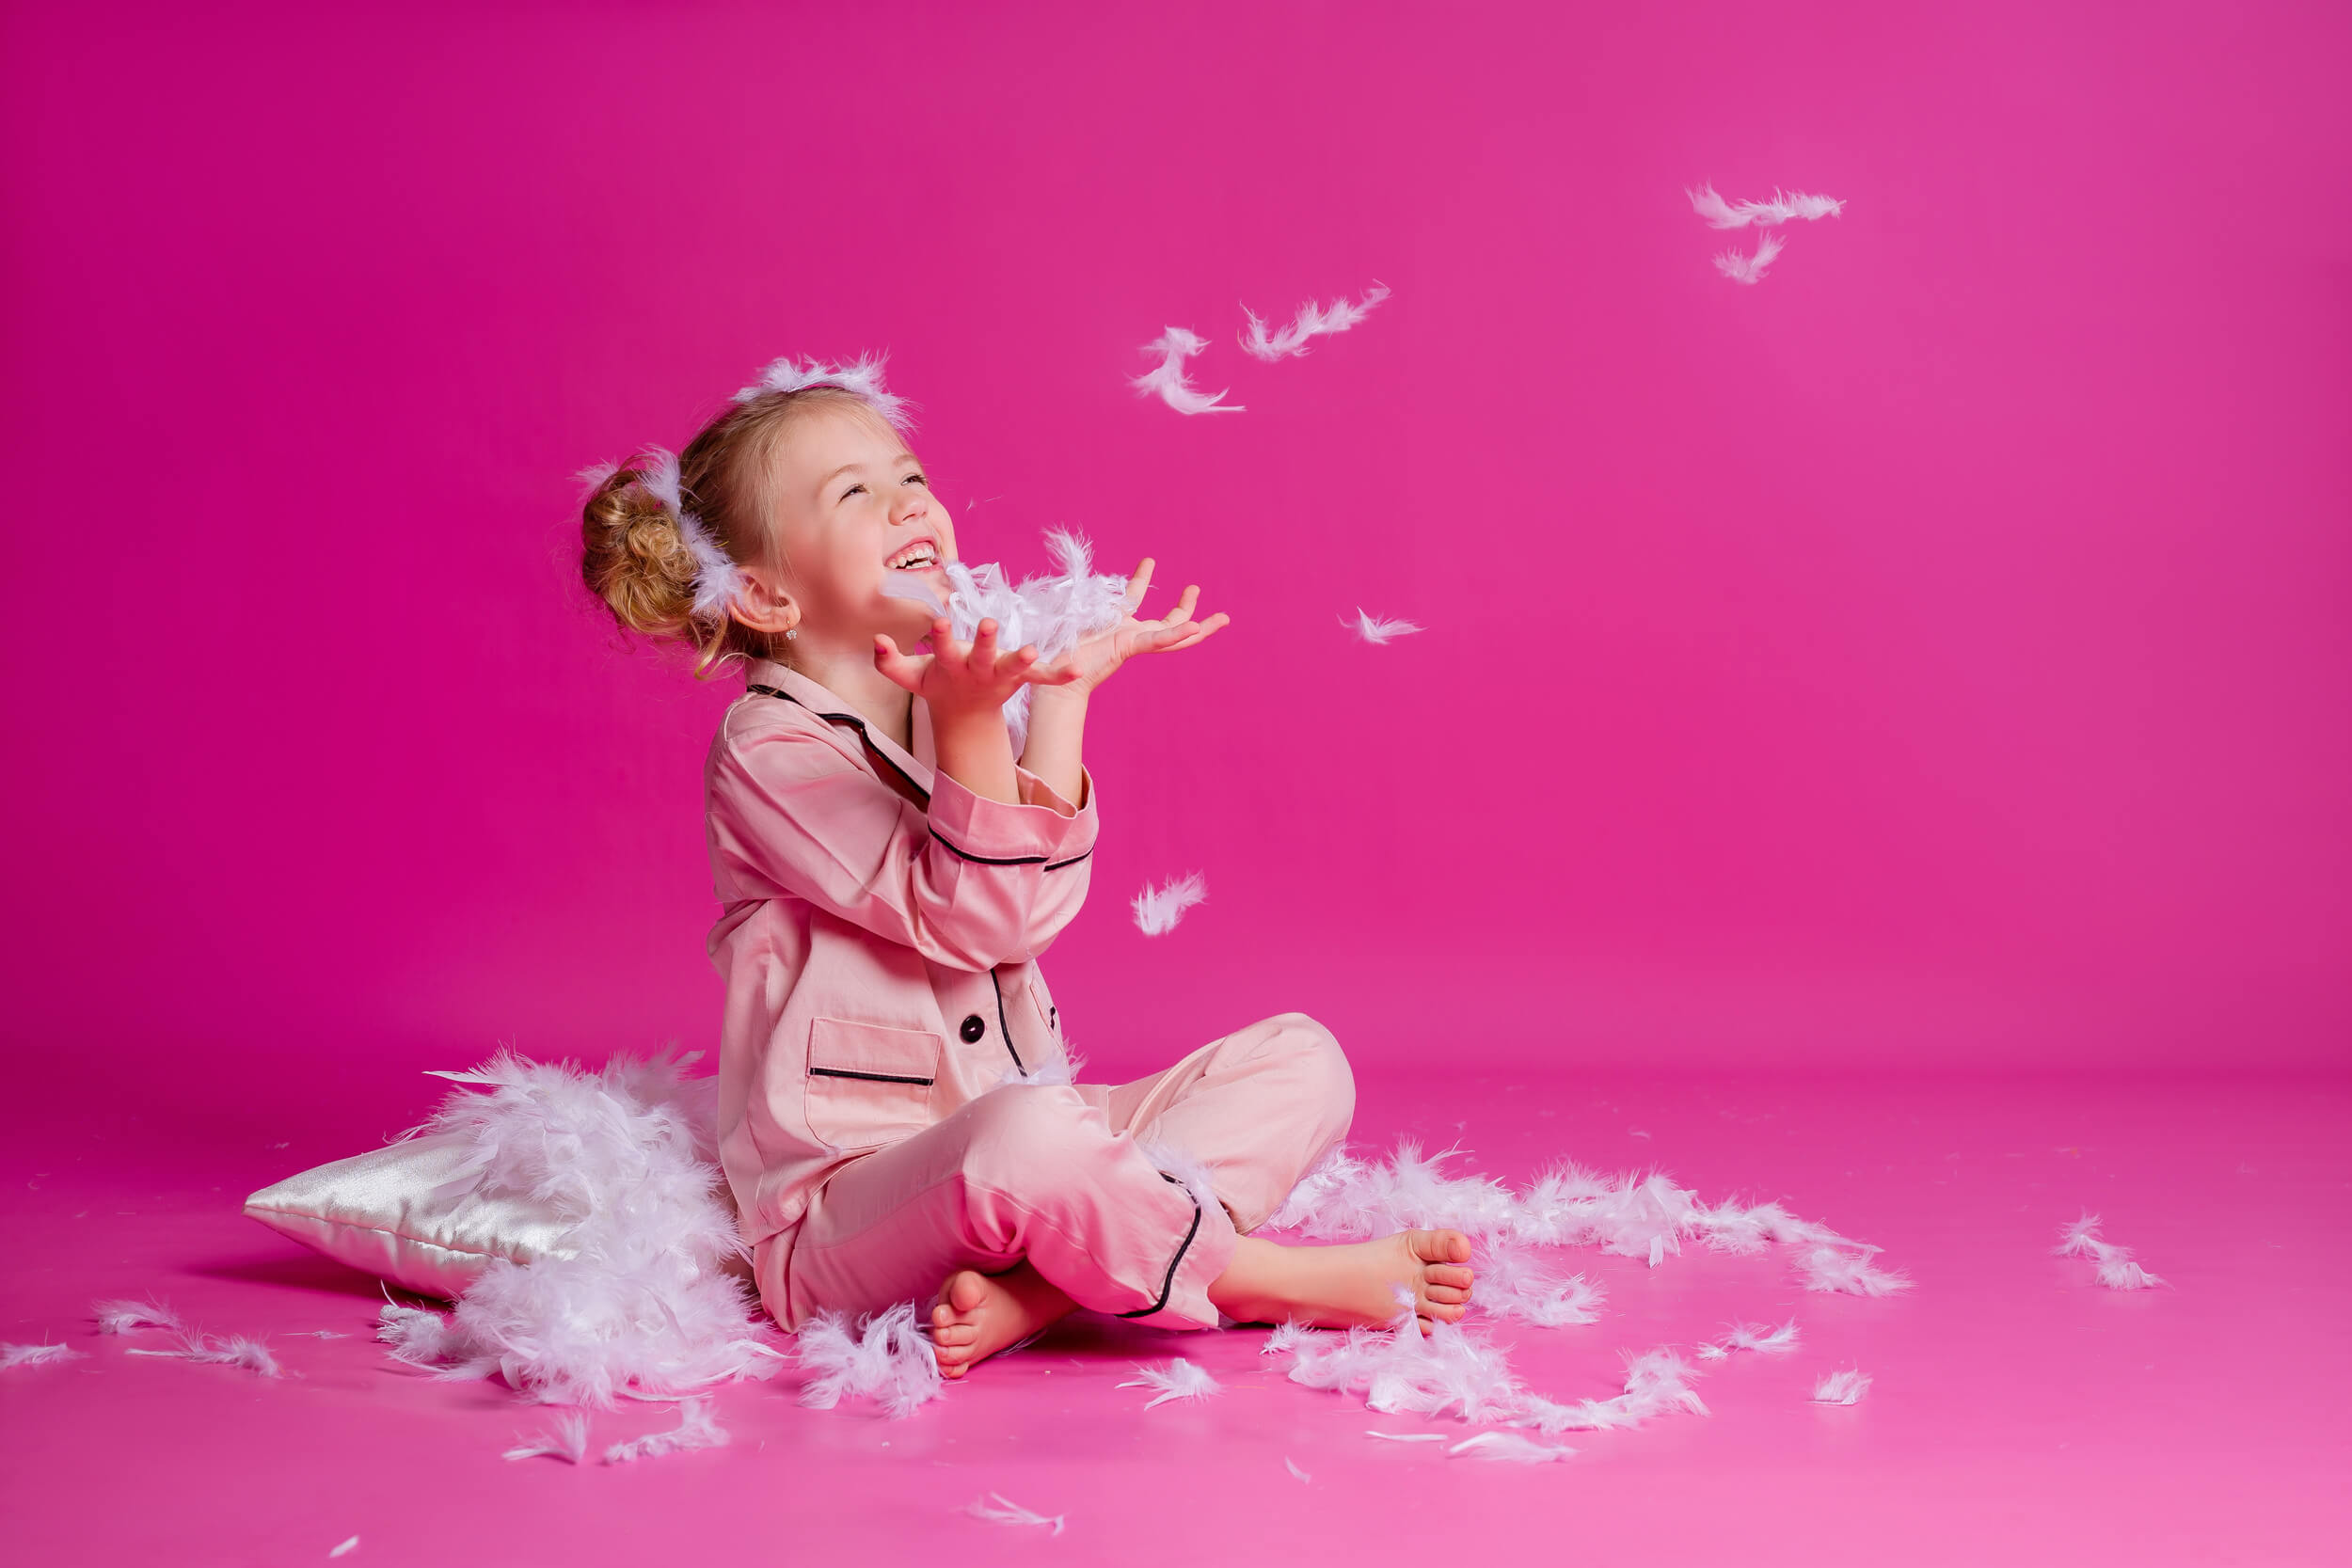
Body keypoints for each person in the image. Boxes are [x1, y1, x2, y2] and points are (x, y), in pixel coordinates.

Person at [578, 356, 1471, 1376]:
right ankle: (1253, 1275)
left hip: (1018, 1142)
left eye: (909, 474)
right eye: (855, 493)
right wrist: (970, 720)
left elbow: (1034, 908)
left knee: (1302, 1059)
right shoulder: (769, 749)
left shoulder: (953, 700)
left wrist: (1058, 698)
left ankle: (1041, 1287)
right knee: (1025, 1136)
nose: (908, 502)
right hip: (849, 1212)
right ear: (771, 595)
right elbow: (978, 921)